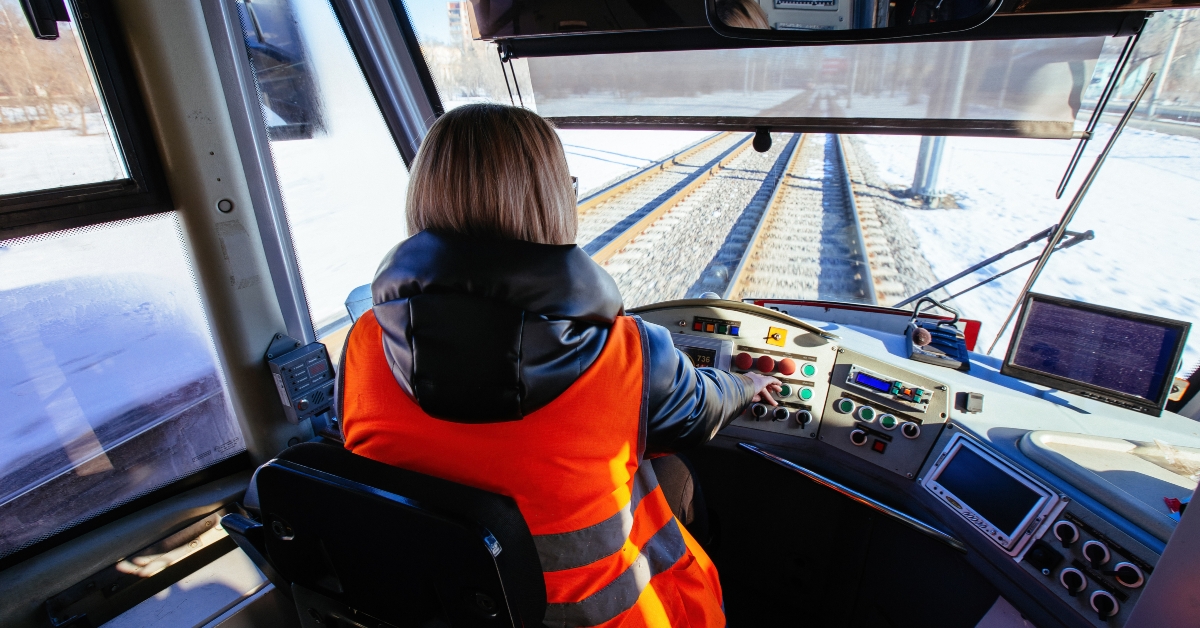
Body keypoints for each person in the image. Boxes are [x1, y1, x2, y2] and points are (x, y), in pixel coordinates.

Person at [338, 103, 780, 627]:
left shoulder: (363, 343)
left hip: (445, 609)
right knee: (676, 476)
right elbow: (702, 411)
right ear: (554, 197)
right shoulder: (630, 354)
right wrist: (748, 382)